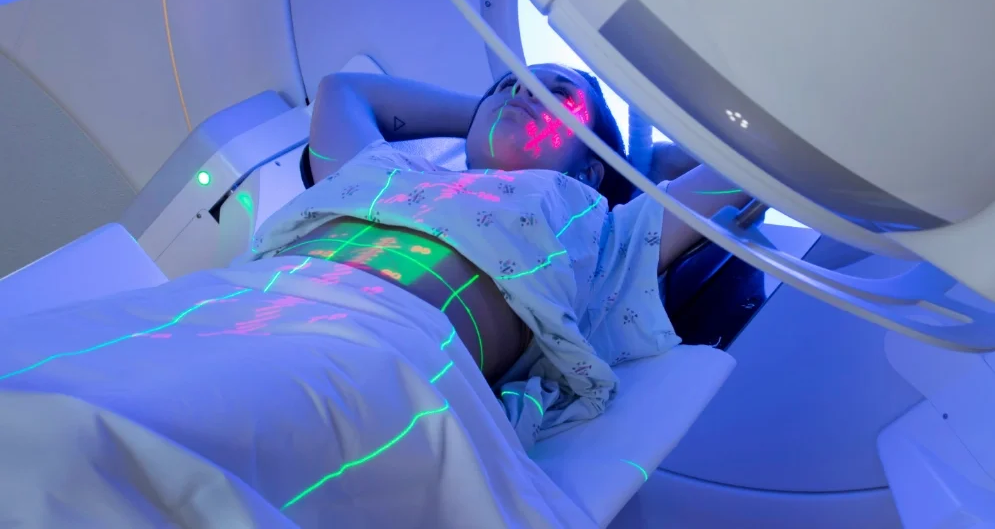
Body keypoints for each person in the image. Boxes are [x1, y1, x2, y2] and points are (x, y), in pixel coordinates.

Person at [250, 65, 749, 436]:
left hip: (372, 366)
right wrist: (493, 111)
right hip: (250, 305)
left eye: (561, 97)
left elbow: (747, 162)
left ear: (589, 171)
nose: (525, 92)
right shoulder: (382, 171)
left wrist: (649, 163)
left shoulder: (599, 235)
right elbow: (342, 89)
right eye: (509, 83)